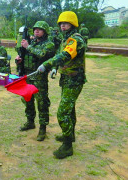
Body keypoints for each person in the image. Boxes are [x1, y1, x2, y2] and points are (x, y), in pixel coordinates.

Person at [37, 11, 86, 159]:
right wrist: (54, 68)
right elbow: (61, 57)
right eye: (61, 24)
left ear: (73, 24)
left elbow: (64, 55)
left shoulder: (75, 40)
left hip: (74, 81)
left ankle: (67, 146)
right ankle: (69, 136)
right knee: (69, 110)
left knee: (63, 113)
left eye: (66, 23)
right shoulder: (66, 40)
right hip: (66, 80)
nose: (62, 26)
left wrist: (46, 64)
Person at [15, 21, 56, 141]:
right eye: (35, 29)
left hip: (39, 78)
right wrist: (19, 60)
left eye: (40, 29)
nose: (36, 31)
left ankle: (43, 128)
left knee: (42, 103)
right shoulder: (31, 43)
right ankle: (30, 121)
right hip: (28, 76)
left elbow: (42, 55)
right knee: (27, 100)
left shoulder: (49, 45)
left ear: (45, 32)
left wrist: (28, 47)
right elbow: (27, 56)